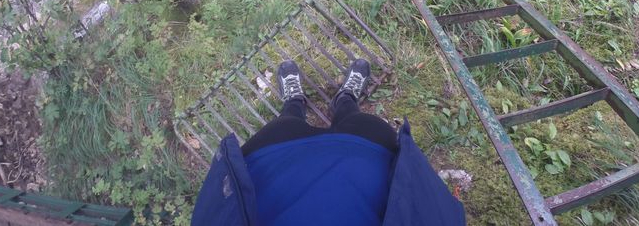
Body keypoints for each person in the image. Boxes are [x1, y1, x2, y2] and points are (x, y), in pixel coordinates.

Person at [191, 58, 466, 226]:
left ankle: (294, 103)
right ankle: (345, 100)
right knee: (358, 123)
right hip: (367, 165)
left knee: (285, 125)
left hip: (272, 174)